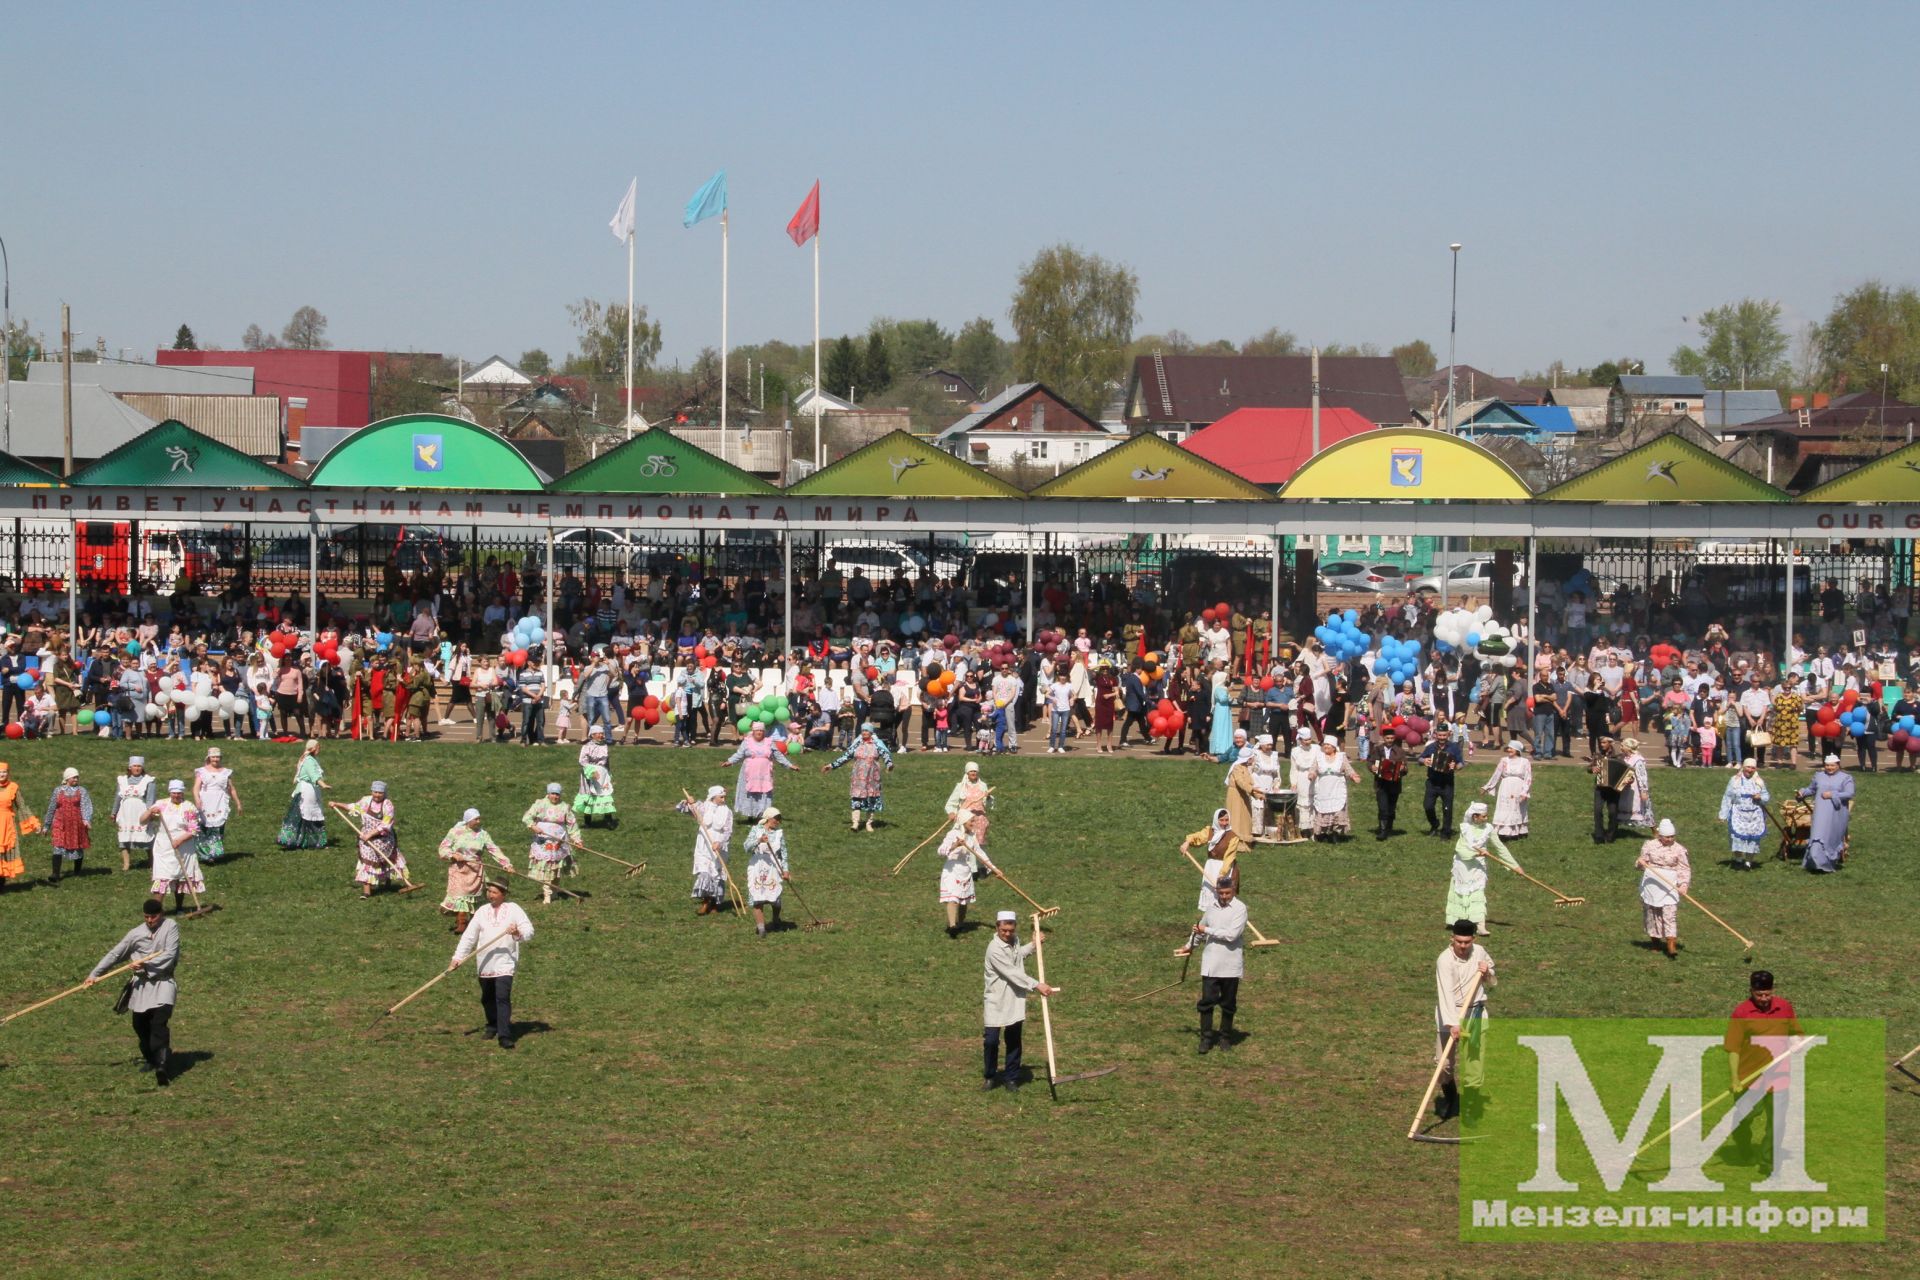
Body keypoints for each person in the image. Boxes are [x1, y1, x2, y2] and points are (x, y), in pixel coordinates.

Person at [84, 899, 181, 1086]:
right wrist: (94, 974)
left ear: (161, 914)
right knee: (140, 1025)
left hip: (162, 984)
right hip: (142, 987)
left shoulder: (171, 927)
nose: (150, 920)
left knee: (159, 1023)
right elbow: (115, 954)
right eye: (146, 917)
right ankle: (152, 1058)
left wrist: (146, 964)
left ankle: (162, 1066)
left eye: (153, 916)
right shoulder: (135, 934)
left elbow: (169, 955)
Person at [1723, 970, 1804, 1169]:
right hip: (1750, 1079)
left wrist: (1797, 1042)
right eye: (1759, 995)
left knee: (1777, 1122)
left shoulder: (1784, 1007)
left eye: (1767, 994)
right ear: (1751, 991)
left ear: (1773, 990)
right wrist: (1735, 1078)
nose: (1764, 999)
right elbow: (1733, 1048)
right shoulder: (1741, 1013)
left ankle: (1768, 1161)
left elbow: (1796, 1033)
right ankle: (1744, 1148)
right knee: (1745, 1118)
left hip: (1779, 1077)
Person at [450, 878, 534, 1050]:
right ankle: (492, 1025)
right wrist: (458, 957)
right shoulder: (482, 912)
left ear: (503, 894)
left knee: (502, 997)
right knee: (487, 997)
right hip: (485, 961)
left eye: (495, 892)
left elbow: (529, 931)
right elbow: (469, 936)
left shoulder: (514, 909)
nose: (491, 895)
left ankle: (504, 1035)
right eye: (489, 891)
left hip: (505, 962)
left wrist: (517, 932)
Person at [982, 910, 1057, 1092]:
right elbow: (1012, 972)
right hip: (996, 1000)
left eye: (1011, 930)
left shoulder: (1014, 941)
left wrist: (1033, 945)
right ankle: (990, 1076)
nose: (1007, 934)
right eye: (1004, 930)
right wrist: (1036, 985)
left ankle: (1011, 1078)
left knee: (1014, 1039)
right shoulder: (994, 949)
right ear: (997, 927)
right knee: (991, 1041)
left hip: (1014, 998)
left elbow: (1017, 956)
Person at [1433, 919, 1496, 1122]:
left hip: (1475, 1013)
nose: (1462, 946)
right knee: (1444, 1065)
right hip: (1449, 1014)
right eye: (1459, 941)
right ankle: (1451, 1099)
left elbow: (1493, 982)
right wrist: (1453, 1024)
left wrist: (1487, 972)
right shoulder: (1444, 960)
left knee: (1474, 1065)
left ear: (1473, 940)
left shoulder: (1480, 952)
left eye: (1467, 942)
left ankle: (1470, 1107)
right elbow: (1446, 995)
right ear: (1452, 939)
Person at [1180, 871, 1247, 1054]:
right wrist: (1189, 946)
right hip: (1211, 964)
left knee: (1228, 1003)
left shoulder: (1240, 909)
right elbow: (1199, 931)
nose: (1224, 896)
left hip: (1230, 966)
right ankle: (1206, 1039)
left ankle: (1225, 1038)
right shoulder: (1211, 908)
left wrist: (1207, 929)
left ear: (1233, 891)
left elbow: (1232, 935)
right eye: (1221, 893)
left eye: (1227, 893)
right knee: (1207, 1002)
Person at [1446, 801, 1521, 936]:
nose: (1486, 818)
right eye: (1484, 816)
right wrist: (1476, 853)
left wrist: (1514, 865)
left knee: (1478, 893)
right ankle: (1458, 921)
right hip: (1463, 866)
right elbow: (1460, 849)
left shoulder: (1489, 829)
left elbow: (1500, 847)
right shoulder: (1465, 828)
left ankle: (1480, 925)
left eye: (1487, 816)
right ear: (1475, 817)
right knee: (1462, 893)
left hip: (1478, 867)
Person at [437, 808, 515, 934]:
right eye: (476, 819)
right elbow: (443, 848)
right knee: (460, 896)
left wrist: (506, 864)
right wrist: (453, 855)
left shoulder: (482, 834)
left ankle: (475, 923)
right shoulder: (455, 832)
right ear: (468, 820)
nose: (478, 821)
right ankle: (461, 923)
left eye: (479, 819)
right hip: (459, 869)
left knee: (476, 899)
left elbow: (493, 849)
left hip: (475, 870)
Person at [144, 780, 204, 915]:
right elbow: (142, 820)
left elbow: (193, 829)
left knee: (181, 877)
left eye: (179, 793)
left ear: (182, 792)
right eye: (174, 793)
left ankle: (179, 908)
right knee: (163, 878)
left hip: (184, 847)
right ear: (170, 792)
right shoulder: (161, 804)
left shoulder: (189, 807)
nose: (176, 795)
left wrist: (180, 840)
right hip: (163, 847)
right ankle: (156, 911)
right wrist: (150, 812)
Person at [822, 722, 894, 832]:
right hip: (858, 777)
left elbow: (886, 755)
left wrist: (889, 765)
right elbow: (845, 757)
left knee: (871, 799)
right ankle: (855, 823)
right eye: (863, 731)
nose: (864, 732)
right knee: (857, 798)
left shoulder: (877, 744)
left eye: (867, 731)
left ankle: (869, 823)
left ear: (871, 732)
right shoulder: (857, 744)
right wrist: (832, 765)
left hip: (872, 777)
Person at [1636, 818, 1691, 959]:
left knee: (1669, 914)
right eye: (1667, 837)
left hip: (1669, 885)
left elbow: (1684, 868)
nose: (1670, 839)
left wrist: (1683, 885)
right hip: (1652, 884)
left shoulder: (1679, 849)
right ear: (1660, 836)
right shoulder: (1649, 845)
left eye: (1672, 836)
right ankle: (1655, 942)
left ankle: (1671, 944)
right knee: (1652, 914)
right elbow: (1641, 863)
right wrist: (1640, 863)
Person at [678, 784, 735, 915]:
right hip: (704, 845)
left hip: (718, 846)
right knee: (704, 873)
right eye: (721, 797)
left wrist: (720, 843)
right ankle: (705, 903)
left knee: (716, 875)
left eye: (724, 797)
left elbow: (728, 831)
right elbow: (686, 810)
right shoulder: (703, 806)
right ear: (714, 797)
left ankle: (714, 903)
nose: (724, 799)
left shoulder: (727, 812)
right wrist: (690, 803)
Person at [938, 819, 1001, 938]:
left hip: (965, 870)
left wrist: (993, 868)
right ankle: (952, 926)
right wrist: (955, 845)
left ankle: (960, 924)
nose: (973, 824)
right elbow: (940, 851)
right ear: (963, 822)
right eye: (971, 821)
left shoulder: (972, 837)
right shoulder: (953, 834)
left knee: (963, 900)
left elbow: (980, 853)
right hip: (952, 870)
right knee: (953, 898)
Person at [723, 721, 797, 821]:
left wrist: (790, 765)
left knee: (764, 793)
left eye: (761, 730)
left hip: (764, 774)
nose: (759, 732)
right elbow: (739, 754)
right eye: (757, 730)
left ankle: (762, 815)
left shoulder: (769, 742)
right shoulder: (747, 742)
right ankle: (750, 814)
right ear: (753, 731)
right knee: (750, 793)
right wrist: (729, 761)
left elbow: (778, 756)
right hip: (749, 773)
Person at [521, 782, 582, 904]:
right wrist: (533, 826)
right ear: (548, 794)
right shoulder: (540, 804)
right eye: (553, 794)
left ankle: (554, 892)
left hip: (559, 842)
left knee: (556, 868)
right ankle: (547, 894)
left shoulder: (565, 807)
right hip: (544, 841)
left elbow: (571, 824)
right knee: (547, 868)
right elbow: (526, 817)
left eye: (557, 794)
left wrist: (577, 839)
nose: (555, 797)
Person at [346, 781, 406, 898]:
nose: (377, 795)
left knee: (386, 861)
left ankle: (388, 883)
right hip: (365, 840)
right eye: (375, 792)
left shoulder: (388, 805)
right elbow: (354, 807)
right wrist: (337, 804)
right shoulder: (366, 801)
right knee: (367, 862)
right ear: (371, 791)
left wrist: (370, 834)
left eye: (380, 793)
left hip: (384, 840)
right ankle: (366, 891)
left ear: (384, 793)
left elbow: (385, 825)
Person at [1796, 754, 1854, 873]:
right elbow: (1811, 789)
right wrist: (1802, 792)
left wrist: (1833, 794)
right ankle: (1816, 863)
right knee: (1818, 836)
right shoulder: (1819, 776)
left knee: (1831, 837)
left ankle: (1828, 862)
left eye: (1832, 765)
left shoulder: (1846, 778)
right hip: (1821, 812)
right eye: (1827, 765)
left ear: (1838, 765)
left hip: (1836, 813)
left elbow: (1849, 793)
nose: (1829, 768)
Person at [1181, 808, 1245, 909]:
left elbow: (1229, 857)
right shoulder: (1210, 831)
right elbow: (1198, 837)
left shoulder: (1232, 837)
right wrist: (1187, 842)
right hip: (1211, 867)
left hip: (1225, 868)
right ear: (1216, 820)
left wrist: (1221, 874)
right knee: (1210, 900)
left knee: (1223, 898)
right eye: (1221, 820)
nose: (1224, 823)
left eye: (1226, 820)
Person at [743, 806, 791, 937]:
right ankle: (761, 928)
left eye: (780, 819)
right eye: (777, 818)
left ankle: (775, 919)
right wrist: (758, 841)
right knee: (757, 899)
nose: (778, 821)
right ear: (769, 818)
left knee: (775, 899)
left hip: (773, 868)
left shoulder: (778, 833)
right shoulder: (756, 830)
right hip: (757, 867)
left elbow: (784, 853)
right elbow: (746, 847)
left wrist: (785, 870)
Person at [1719, 758, 1772, 870]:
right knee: (1737, 838)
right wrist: (1723, 814)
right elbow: (1727, 797)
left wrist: (1760, 797)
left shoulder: (1759, 781)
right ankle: (1738, 860)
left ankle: (1748, 862)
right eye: (1748, 767)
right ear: (1743, 767)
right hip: (1738, 813)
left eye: (1753, 768)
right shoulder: (1734, 780)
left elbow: (1766, 797)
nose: (1750, 770)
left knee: (1752, 839)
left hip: (1754, 815)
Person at [277, 739, 330, 849]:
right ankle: (299, 841)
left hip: (312, 790)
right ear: (314, 748)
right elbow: (313, 775)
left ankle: (308, 841)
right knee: (306, 815)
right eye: (318, 747)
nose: (319, 749)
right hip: (307, 791)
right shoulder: (309, 761)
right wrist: (323, 784)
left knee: (310, 815)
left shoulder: (312, 759)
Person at [192, 747, 241, 864]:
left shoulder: (225, 772)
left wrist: (238, 803)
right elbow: (195, 788)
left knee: (218, 827)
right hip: (206, 801)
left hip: (220, 801)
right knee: (204, 827)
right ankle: (205, 854)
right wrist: (197, 799)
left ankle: (215, 852)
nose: (215, 759)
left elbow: (231, 789)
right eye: (213, 757)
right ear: (209, 758)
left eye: (217, 757)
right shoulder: (202, 771)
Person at [44, 766, 94, 883]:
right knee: (57, 846)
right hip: (60, 824)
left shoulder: (81, 791)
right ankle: (55, 874)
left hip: (76, 825)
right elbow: (51, 808)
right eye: (73, 777)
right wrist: (46, 825)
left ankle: (77, 871)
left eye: (77, 777)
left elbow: (86, 806)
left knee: (78, 847)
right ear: (67, 778)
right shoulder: (58, 791)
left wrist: (86, 819)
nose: (76, 779)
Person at [1307, 735, 1360, 840]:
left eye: (1328, 745)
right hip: (1323, 789)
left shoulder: (1341, 757)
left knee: (1338, 810)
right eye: (1325, 744)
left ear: (1334, 747)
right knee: (1323, 810)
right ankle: (1322, 833)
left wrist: (1354, 776)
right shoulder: (1319, 757)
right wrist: (1311, 774)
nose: (1326, 746)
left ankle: (1335, 833)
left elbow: (1348, 769)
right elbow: (1313, 769)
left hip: (1337, 788)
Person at [115, 755, 158, 873]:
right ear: (130, 767)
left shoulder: (149, 780)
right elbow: (118, 798)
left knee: (146, 836)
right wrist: (114, 812)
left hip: (141, 811)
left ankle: (152, 862)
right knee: (124, 838)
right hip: (125, 812)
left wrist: (150, 813)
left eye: (139, 766)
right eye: (134, 766)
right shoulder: (122, 780)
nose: (137, 768)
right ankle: (126, 864)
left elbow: (150, 799)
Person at [1419, 723, 1464, 837]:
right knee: (1428, 806)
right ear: (1436, 735)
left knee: (1447, 808)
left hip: (1447, 782)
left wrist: (1456, 767)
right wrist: (1424, 761)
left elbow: (1461, 763)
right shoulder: (1430, 747)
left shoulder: (1454, 747)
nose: (1442, 738)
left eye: (1444, 735)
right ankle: (1434, 824)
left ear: (1448, 734)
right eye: (1440, 735)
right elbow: (1420, 758)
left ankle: (1446, 832)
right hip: (1432, 782)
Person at [1481, 740, 1531, 839]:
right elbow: (1497, 774)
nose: (1509, 750)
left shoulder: (1525, 762)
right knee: (1505, 806)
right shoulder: (1504, 760)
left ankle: (1519, 830)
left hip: (1518, 787)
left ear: (1517, 750)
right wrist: (1487, 787)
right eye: (1508, 748)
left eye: (1511, 748)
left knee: (1517, 807)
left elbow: (1528, 777)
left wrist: (1524, 792)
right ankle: (1504, 832)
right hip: (1506, 787)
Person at [573, 724, 618, 827]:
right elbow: (582, 761)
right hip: (589, 775)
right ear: (592, 735)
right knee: (589, 796)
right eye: (599, 733)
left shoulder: (604, 746)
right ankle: (588, 822)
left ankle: (608, 820)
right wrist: (591, 771)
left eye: (602, 733)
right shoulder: (587, 747)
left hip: (602, 775)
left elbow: (607, 761)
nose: (601, 735)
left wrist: (608, 774)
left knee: (605, 794)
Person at [1369, 731, 1407, 841]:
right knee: (1382, 807)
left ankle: (1389, 826)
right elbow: (1370, 762)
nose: (1389, 740)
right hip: (1381, 783)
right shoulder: (1377, 749)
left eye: (1391, 738)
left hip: (1394, 783)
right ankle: (1383, 830)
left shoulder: (1400, 751)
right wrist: (1372, 767)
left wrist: (1403, 768)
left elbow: (1405, 766)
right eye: (1387, 738)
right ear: (1383, 738)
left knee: (1391, 807)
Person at [943, 761, 993, 844]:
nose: (973, 773)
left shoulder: (983, 785)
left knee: (978, 845)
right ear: (967, 773)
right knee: (964, 843)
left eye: (975, 771)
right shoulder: (961, 786)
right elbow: (950, 803)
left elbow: (987, 805)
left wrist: (988, 797)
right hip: (965, 820)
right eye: (971, 771)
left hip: (979, 820)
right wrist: (951, 813)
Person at [1589, 735, 1624, 844]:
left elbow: (1626, 772)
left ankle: (1611, 834)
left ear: (1610, 743)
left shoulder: (1619, 756)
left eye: (1604, 743)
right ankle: (1599, 836)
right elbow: (1590, 767)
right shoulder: (1598, 755)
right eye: (1601, 743)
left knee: (1613, 812)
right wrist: (1592, 769)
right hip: (1600, 788)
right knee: (1597, 810)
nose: (1601, 745)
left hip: (1613, 790)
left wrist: (1626, 781)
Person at [0, 762, 26, 891]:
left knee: (5, 854)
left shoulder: (13, 787)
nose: (2, 774)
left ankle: (1, 881)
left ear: (8, 773)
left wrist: (34, 825)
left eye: (4, 772)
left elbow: (21, 806)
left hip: (7, 825)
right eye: (0, 772)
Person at [1617, 736, 1653, 830]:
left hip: (1635, 787)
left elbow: (1642, 776)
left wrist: (1643, 791)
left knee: (1639, 806)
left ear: (1628, 747)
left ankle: (1654, 829)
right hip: (1624, 787)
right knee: (1624, 805)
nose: (1620, 747)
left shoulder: (1638, 760)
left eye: (1622, 746)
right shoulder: (1622, 758)